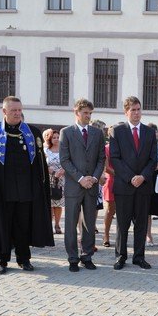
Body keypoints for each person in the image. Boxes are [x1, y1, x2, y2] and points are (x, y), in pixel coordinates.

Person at [0, 96, 54, 274]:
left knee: (23, 226)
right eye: (13, 110)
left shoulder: (32, 133)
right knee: (3, 225)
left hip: (26, 190)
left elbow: (40, 164)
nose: (17, 113)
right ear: (4, 111)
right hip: (3, 191)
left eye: (19, 110)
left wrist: (39, 188)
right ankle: (1, 260)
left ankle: (24, 259)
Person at [109, 96, 157, 270]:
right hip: (124, 186)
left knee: (141, 224)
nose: (137, 113)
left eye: (138, 109)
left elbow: (153, 159)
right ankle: (121, 256)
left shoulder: (149, 132)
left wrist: (142, 176)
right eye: (133, 110)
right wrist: (131, 177)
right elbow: (115, 158)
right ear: (126, 112)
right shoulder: (117, 131)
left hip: (143, 186)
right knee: (122, 224)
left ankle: (139, 257)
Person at [59, 98, 105, 272]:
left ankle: (87, 256)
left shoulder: (97, 133)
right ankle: (72, 258)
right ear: (76, 112)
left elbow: (101, 158)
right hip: (74, 186)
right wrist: (80, 178)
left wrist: (94, 177)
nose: (88, 116)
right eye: (85, 113)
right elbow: (65, 160)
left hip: (91, 186)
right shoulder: (66, 132)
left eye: (90, 113)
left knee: (89, 224)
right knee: (71, 224)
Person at [44, 129, 65, 234]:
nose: (56, 139)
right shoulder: (45, 150)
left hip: (61, 179)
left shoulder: (64, 150)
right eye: (54, 137)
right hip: (49, 179)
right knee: (50, 203)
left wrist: (63, 170)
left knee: (58, 203)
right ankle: (49, 225)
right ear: (49, 139)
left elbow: (68, 162)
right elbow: (42, 164)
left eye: (58, 137)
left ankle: (57, 225)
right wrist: (50, 171)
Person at [101, 125, 115, 248]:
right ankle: (106, 235)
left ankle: (121, 236)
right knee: (110, 210)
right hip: (111, 180)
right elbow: (105, 167)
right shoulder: (106, 148)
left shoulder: (125, 148)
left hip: (125, 181)